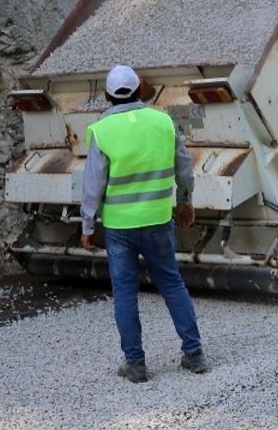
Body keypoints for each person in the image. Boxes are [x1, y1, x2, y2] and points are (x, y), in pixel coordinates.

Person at [80, 64, 209, 383]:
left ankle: (135, 364)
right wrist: (185, 201)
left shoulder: (101, 130)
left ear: (108, 96)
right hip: (158, 220)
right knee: (171, 282)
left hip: (120, 228)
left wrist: (86, 225)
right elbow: (185, 169)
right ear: (140, 91)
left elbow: (92, 185)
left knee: (125, 292)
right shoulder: (163, 122)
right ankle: (194, 354)